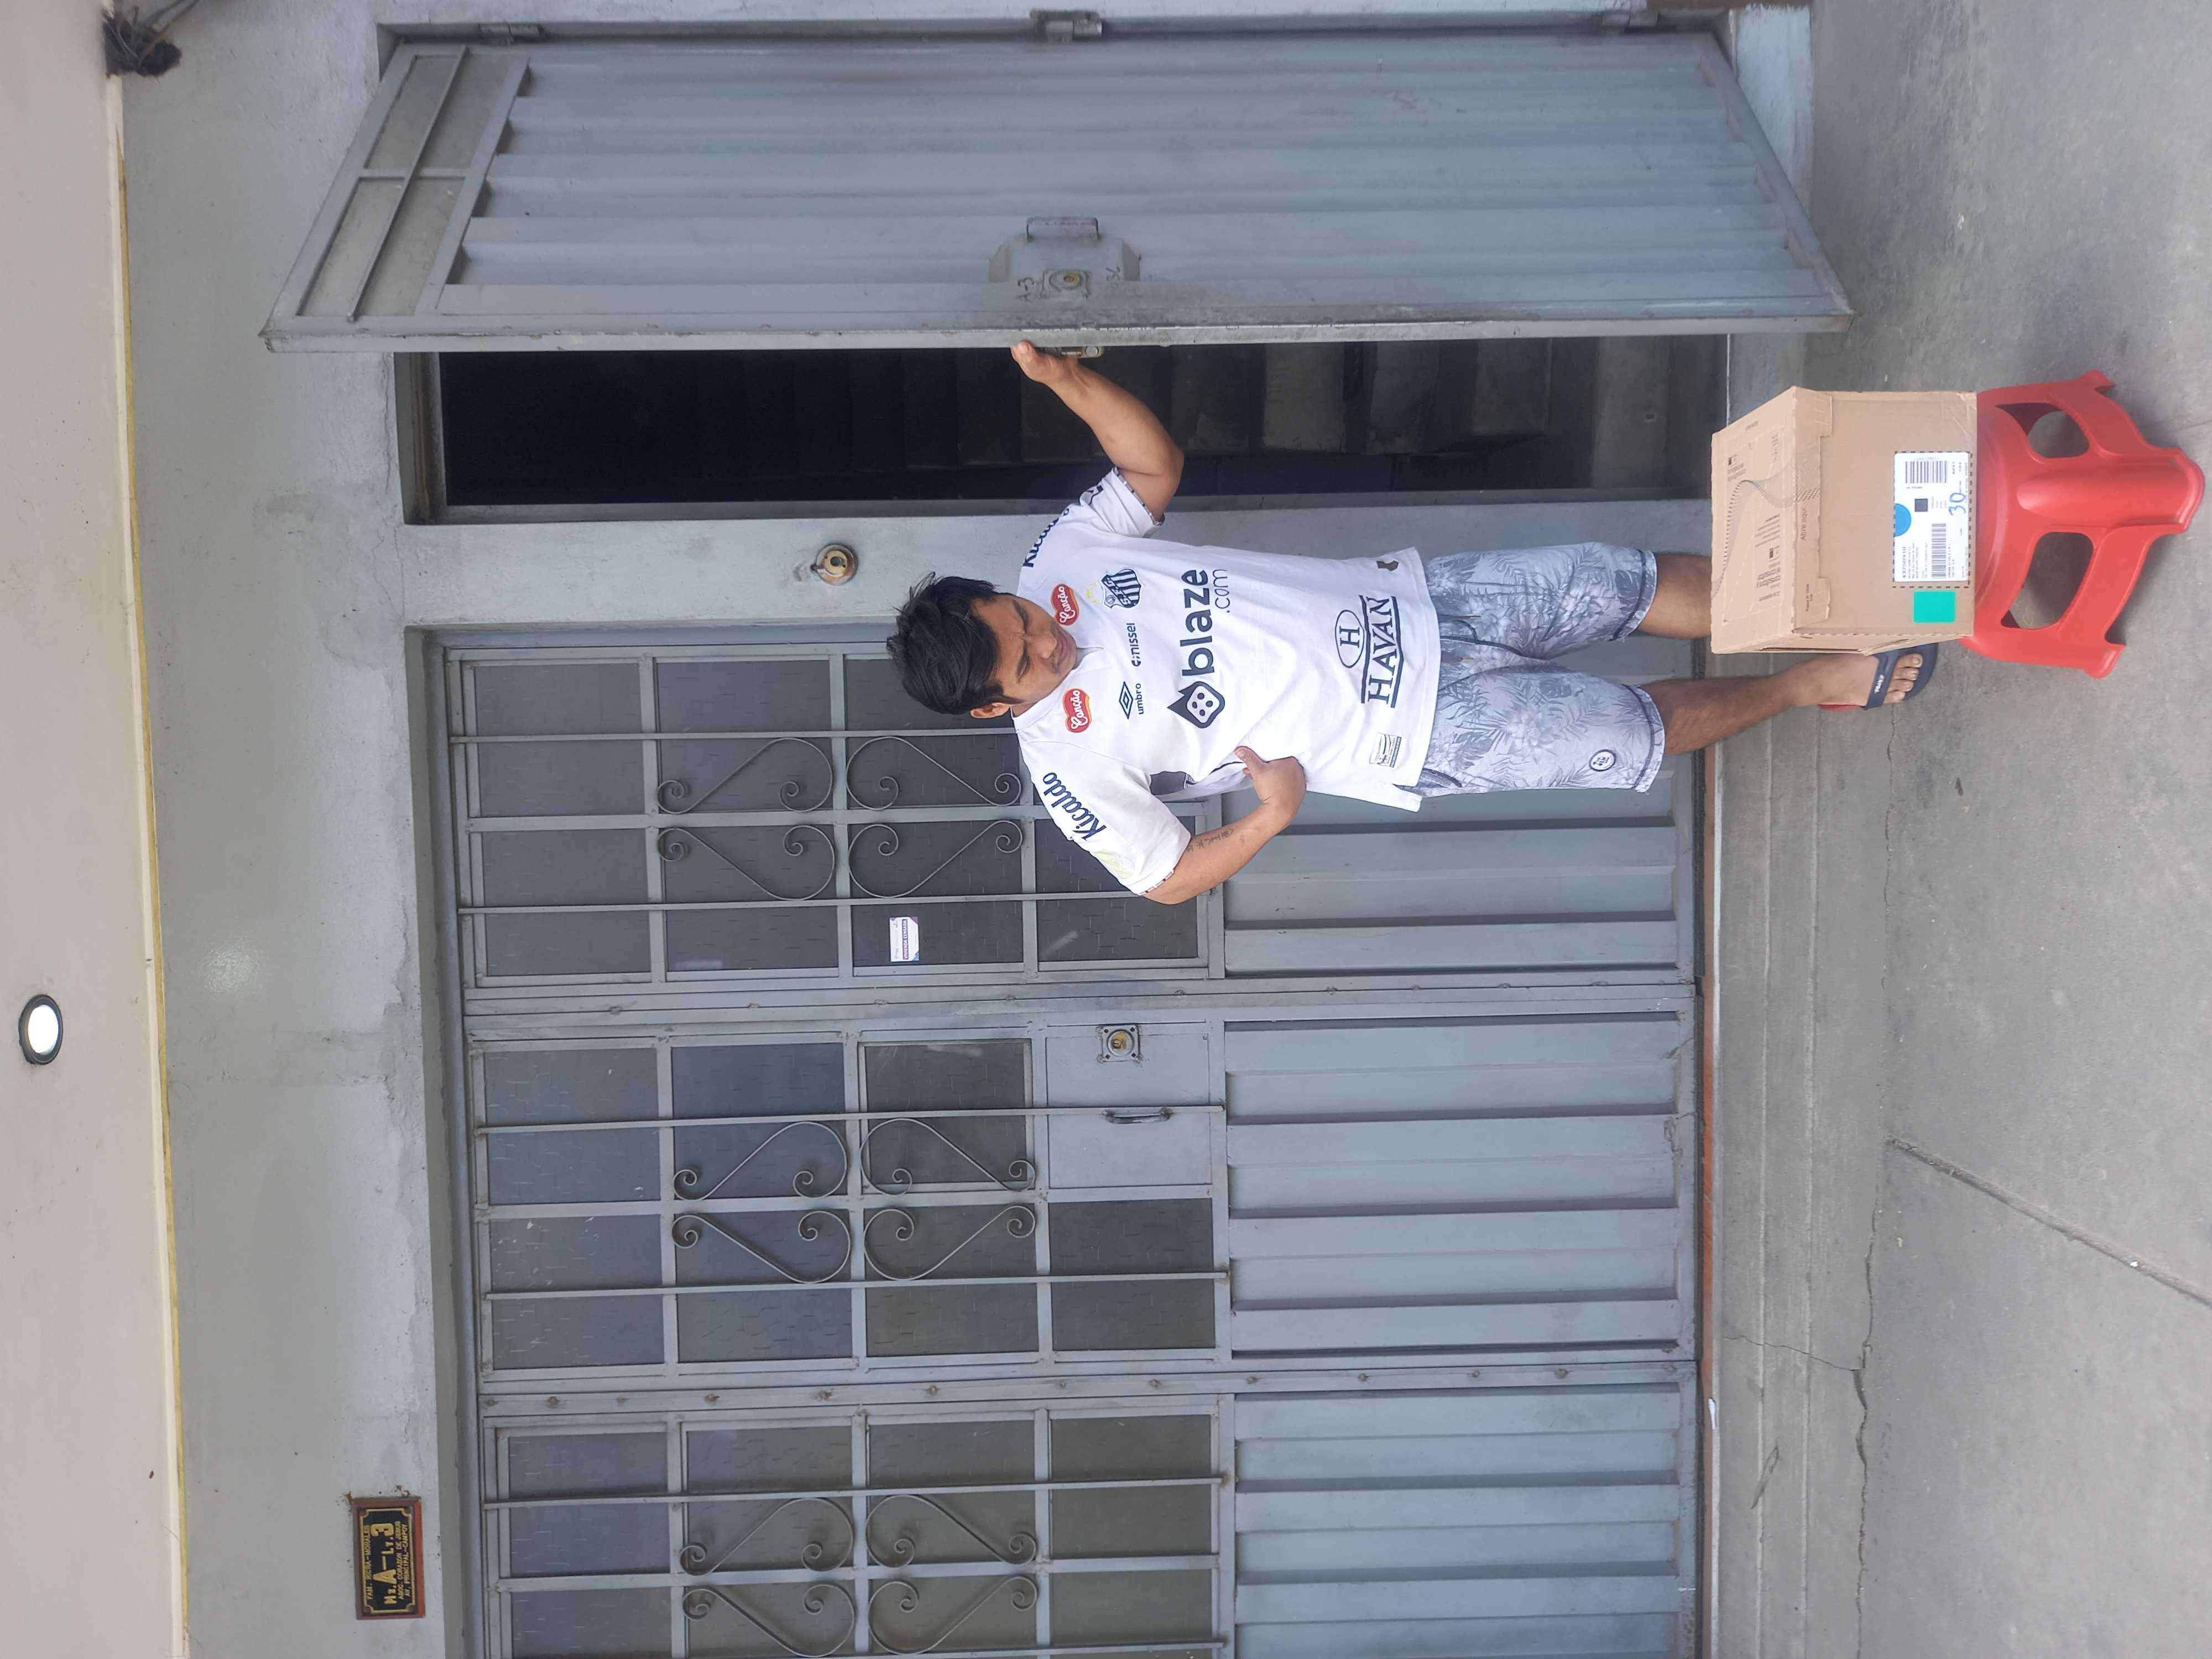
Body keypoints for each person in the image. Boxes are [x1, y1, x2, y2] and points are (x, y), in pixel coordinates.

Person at [888, 342, 1932, 904]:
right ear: (993, 710)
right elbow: (1162, 877)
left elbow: (1150, 467)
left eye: (1024, 618)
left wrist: (1071, 381)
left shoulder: (1063, 560)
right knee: (1629, 730)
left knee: (1621, 579)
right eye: (1028, 664)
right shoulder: (1067, 768)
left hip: (1417, 600)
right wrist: (1268, 820)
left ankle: (1821, 604)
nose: (1049, 639)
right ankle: (1810, 681)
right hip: (1414, 735)